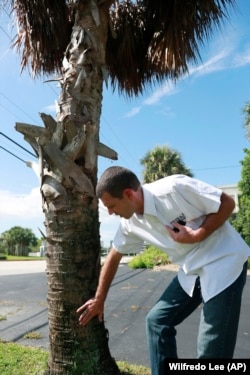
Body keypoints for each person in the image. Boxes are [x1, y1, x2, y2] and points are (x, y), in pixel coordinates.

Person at [77, 166, 250, 375]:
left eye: (112, 206)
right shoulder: (129, 223)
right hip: (191, 269)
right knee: (157, 321)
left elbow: (227, 203)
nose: (110, 213)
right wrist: (99, 299)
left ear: (128, 194)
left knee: (211, 350)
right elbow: (114, 256)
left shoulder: (174, 188)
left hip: (223, 261)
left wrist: (198, 234)